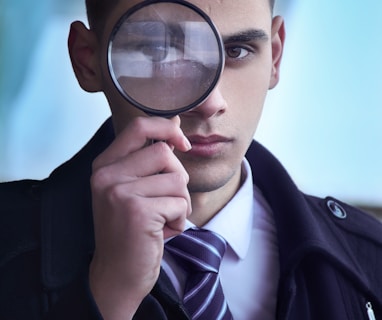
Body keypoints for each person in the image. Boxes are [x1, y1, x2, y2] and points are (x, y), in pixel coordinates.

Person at [1, 0, 382, 319]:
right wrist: (108, 294)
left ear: (275, 57)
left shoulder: (372, 260)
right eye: (158, 51)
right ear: (88, 61)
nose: (210, 103)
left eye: (237, 51)